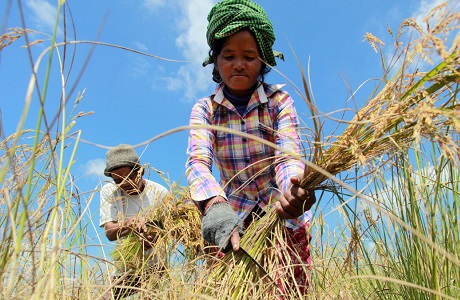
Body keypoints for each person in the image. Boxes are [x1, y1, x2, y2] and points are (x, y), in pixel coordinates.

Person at [185, 0, 316, 295]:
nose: (239, 64)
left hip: (281, 214)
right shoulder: (205, 110)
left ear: (264, 61)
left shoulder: (279, 102)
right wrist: (215, 206)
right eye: (228, 55)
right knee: (235, 290)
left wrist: (292, 190)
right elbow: (198, 162)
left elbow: (288, 155)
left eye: (249, 56)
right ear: (216, 61)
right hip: (232, 221)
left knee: (290, 290)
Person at [99, 144, 168, 299]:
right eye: (118, 180)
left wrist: (151, 238)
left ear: (140, 172)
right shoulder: (109, 192)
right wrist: (128, 224)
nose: (124, 184)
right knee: (105, 296)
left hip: (155, 267)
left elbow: (167, 231)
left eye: (127, 178)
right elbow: (109, 232)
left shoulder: (160, 193)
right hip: (125, 266)